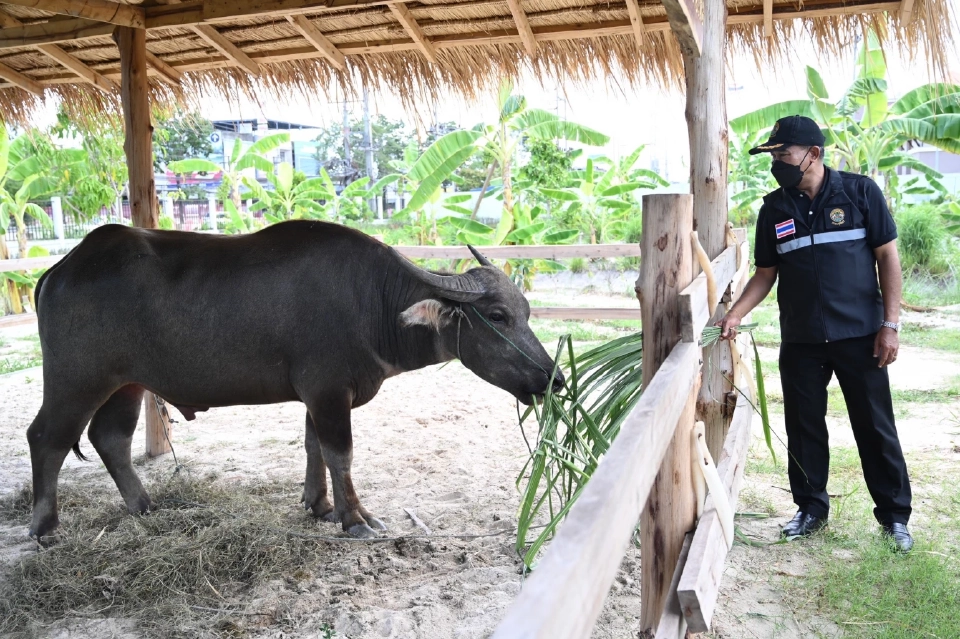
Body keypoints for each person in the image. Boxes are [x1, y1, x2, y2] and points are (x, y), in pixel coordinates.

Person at [717, 115, 914, 552]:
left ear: (813, 153)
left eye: (783, 154)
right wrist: (734, 314)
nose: (777, 163)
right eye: (773, 156)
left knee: (875, 427)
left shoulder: (861, 193)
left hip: (861, 335)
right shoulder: (775, 209)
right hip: (802, 340)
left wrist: (890, 324)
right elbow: (765, 275)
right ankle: (810, 510)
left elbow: (888, 258)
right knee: (804, 427)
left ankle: (895, 518)